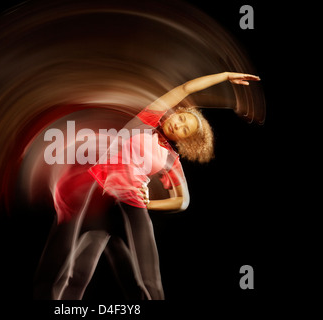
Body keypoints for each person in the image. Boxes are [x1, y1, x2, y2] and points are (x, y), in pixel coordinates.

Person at [33, 72, 260, 300]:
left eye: (185, 130)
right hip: (98, 200)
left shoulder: (170, 159)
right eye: (181, 119)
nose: (178, 125)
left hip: (129, 205)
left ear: (186, 140)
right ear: (176, 113)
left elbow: (183, 201)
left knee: (149, 283)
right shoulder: (146, 121)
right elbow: (184, 89)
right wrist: (224, 76)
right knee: (74, 277)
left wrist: (149, 203)